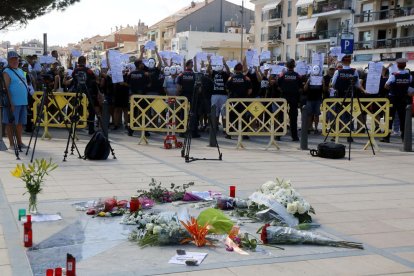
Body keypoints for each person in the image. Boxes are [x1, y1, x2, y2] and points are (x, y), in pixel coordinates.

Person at [331, 55, 367, 142]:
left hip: (339, 96)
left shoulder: (338, 72)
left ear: (342, 62)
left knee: (337, 115)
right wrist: (364, 91)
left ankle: (334, 135)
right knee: (348, 116)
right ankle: (349, 135)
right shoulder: (354, 72)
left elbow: (333, 84)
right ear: (350, 62)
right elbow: (358, 85)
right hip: (350, 96)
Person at [381, 58, 413, 143]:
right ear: (405, 65)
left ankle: (386, 137)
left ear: (397, 66)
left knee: (389, 118)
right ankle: (404, 137)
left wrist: (392, 88)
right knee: (403, 118)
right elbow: (411, 89)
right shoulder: (409, 76)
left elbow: (386, 86)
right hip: (403, 99)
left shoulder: (394, 75)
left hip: (393, 98)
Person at [2, 51, 29, 150]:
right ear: (8, 60)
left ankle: (20, 142)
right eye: (12, 59)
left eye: (16, 59)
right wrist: (11, 103)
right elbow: (6, 88)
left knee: (20, 123)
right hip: (13, 103)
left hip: (23, 102)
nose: (14, 61)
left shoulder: (21, 71)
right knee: (10, 123)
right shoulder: (6, 72)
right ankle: (12, 144)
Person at [72, 56, 99, 134]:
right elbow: (95, 78)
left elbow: (73, 78)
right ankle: (91, 129)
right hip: (88, 92)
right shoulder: (89, 71)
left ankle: (75, 126)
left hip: (77, 92)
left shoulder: (75, 71)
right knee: (91, 110)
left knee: (76, 109)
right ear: (85, 62)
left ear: (78, 61)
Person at [225, 63, 252, 139]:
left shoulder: (231, 78)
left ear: (235, 69)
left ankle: (229, 133)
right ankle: (244, 134)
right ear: (242, 69)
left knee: (231, 116)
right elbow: (250, 91)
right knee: (244, 117)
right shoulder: (246, 78)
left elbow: (227, 88)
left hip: (233, 101)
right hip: (244, 101)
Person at [278, 59, 302, 141]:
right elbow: (300, 88)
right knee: (293, 118)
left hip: (284, 97)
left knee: (281, 117)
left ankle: (278, 135)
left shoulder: (282, 75)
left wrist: (284, 91)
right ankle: (294, 136)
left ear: (286, 66)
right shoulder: (297, 75)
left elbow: (278, 86)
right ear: (294, 66)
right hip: (294, 98)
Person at [176, 59, 201, 138]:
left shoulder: (181, 75)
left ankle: (182, 132)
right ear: (189, 65)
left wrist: (179, 93)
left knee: (183, 113)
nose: (193, 65)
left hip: (184, 96)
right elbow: (199, 88)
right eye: (192, 64)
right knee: (193, 113)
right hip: (193, 96)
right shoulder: (194, 75)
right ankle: (193, 132)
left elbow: (178, 87)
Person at [207, 56, 230, 135]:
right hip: (215, 95)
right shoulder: (214, 73)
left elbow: (229, 71)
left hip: (223, 95)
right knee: (215, 113)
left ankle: (225, 128)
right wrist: (209, 62)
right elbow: (208, 71)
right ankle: (215, 127)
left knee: (224, 113)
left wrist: (224, 63)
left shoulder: (225, 74)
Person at [304, 65, 323, 134]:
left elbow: (323, 89)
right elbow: (305, 89)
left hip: (317, 99)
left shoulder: (321, 78)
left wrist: (322, 82)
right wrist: (308, 82)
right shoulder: (309, 78)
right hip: (310, 99)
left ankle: (316, 128)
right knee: (309, 114)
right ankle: (309, 127)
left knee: (317, 114)